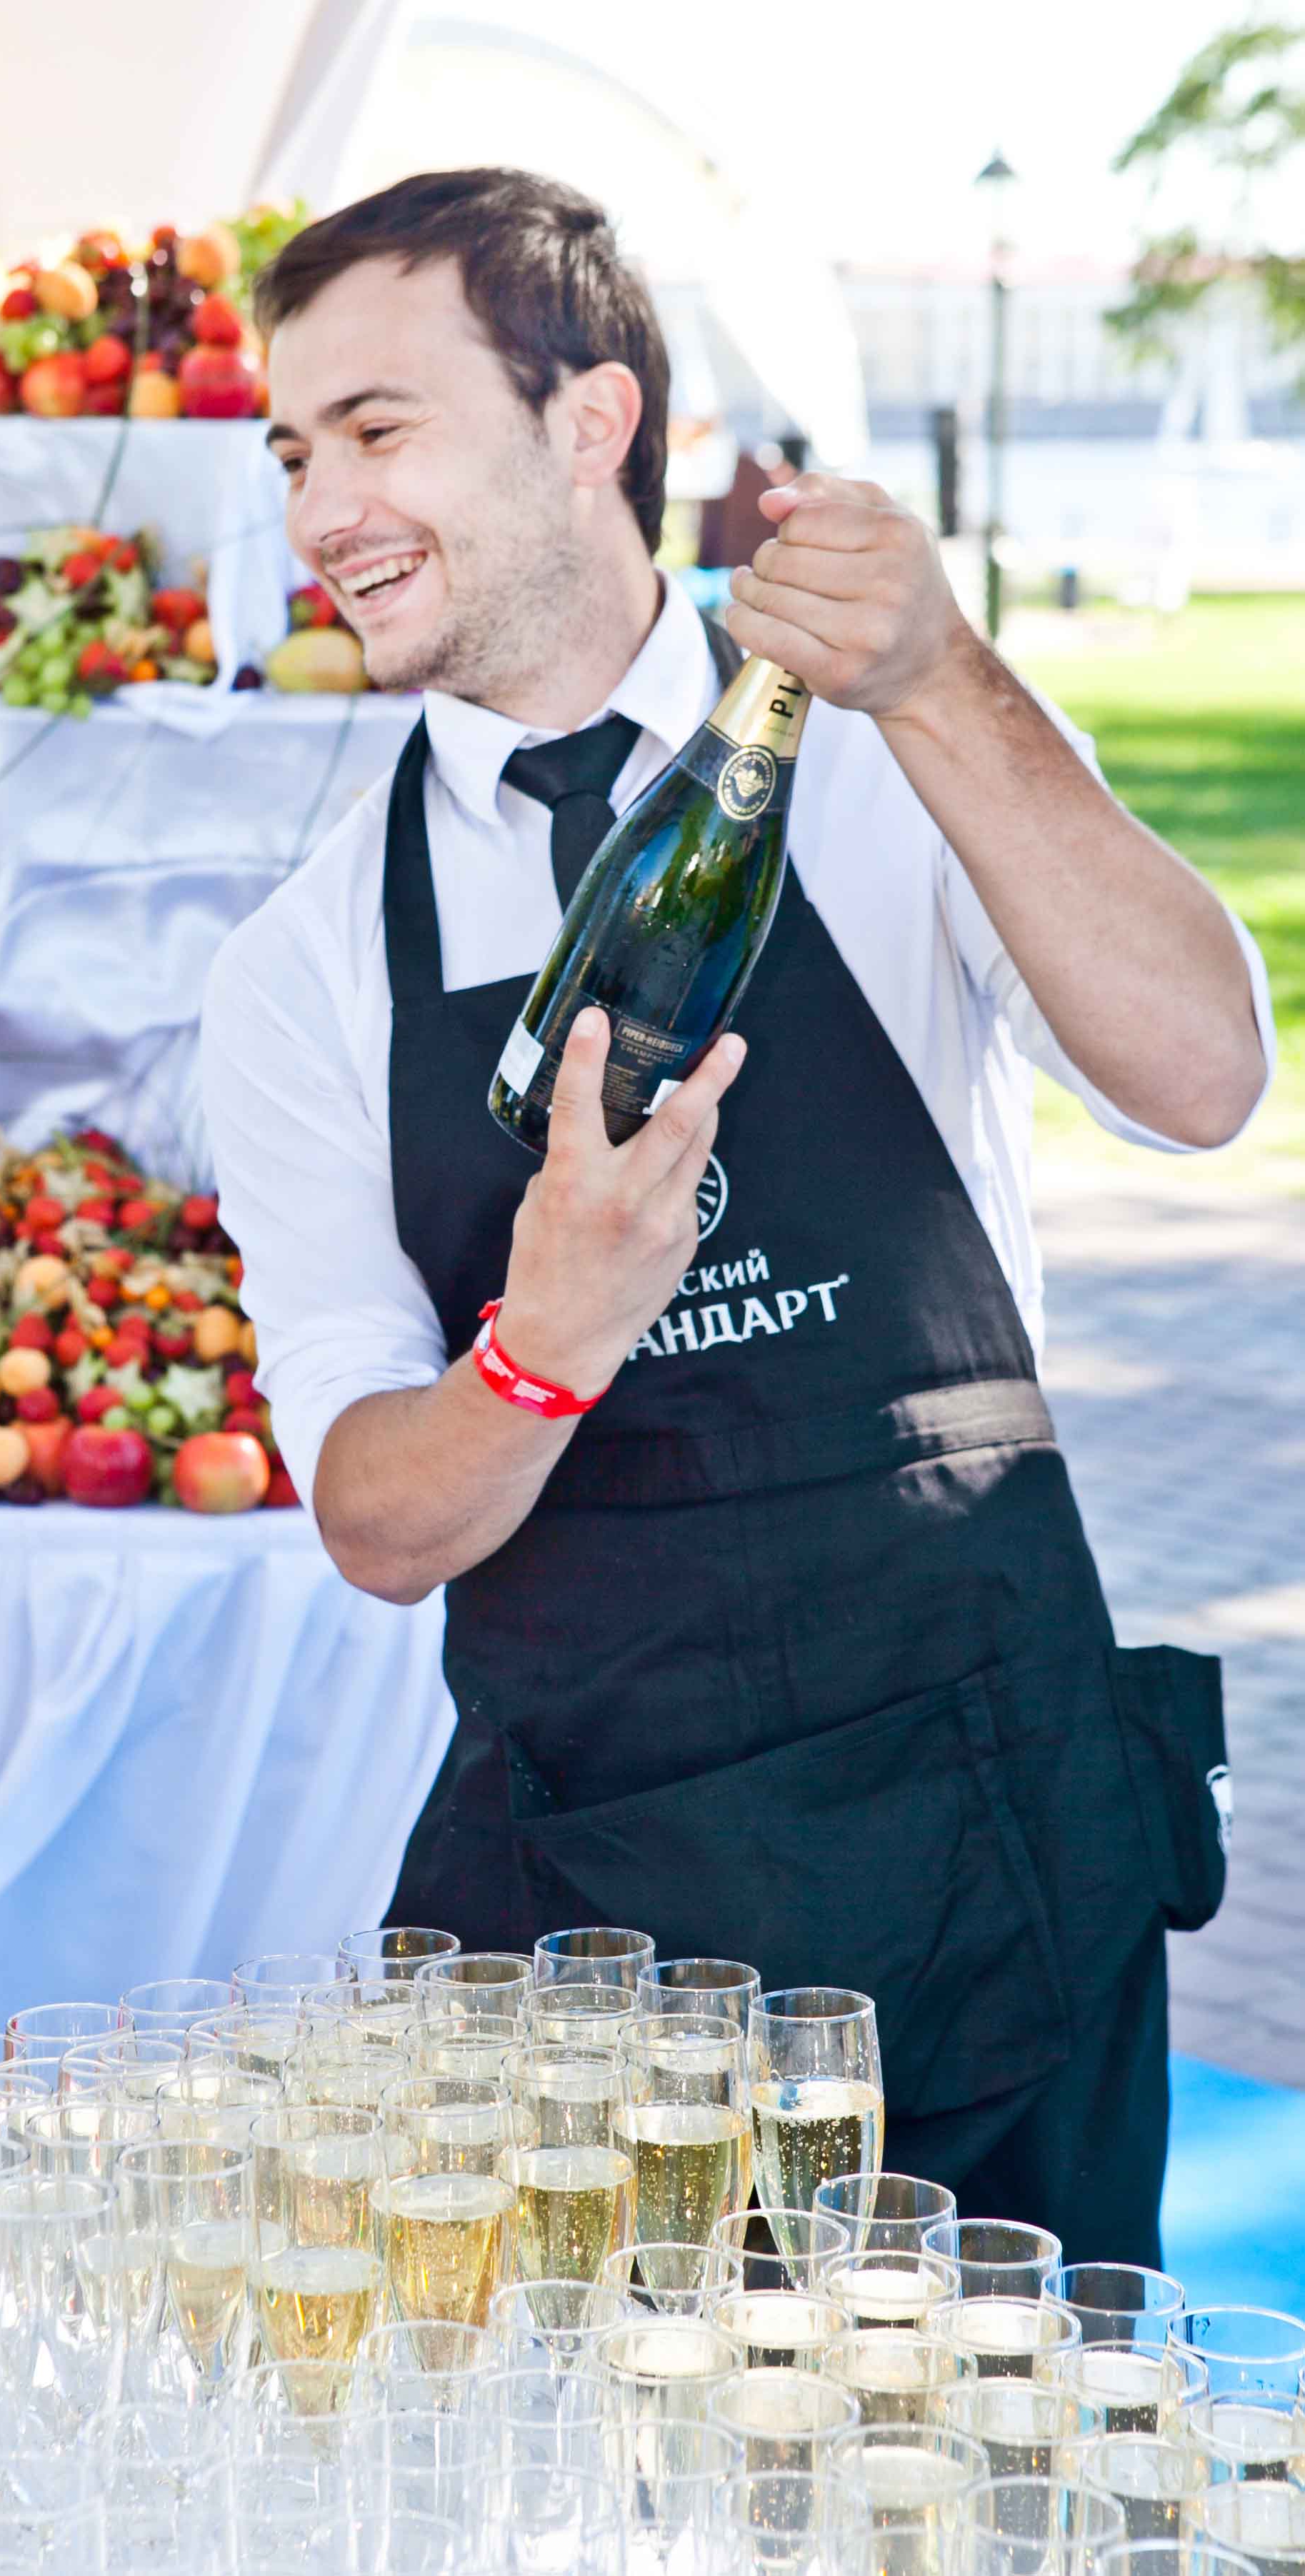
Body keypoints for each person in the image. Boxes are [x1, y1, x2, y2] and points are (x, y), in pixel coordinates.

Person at [200, 169, 1273, 2257]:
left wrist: (945, 684)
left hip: (995, 1857)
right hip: (590, 1946)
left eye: (379, 430)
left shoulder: (899, 759)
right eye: (294, 453)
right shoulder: (304, 965)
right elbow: (378, 1522)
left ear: (589, 423)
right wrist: (544, 1344)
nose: (323, 510)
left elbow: (1203, 1077)